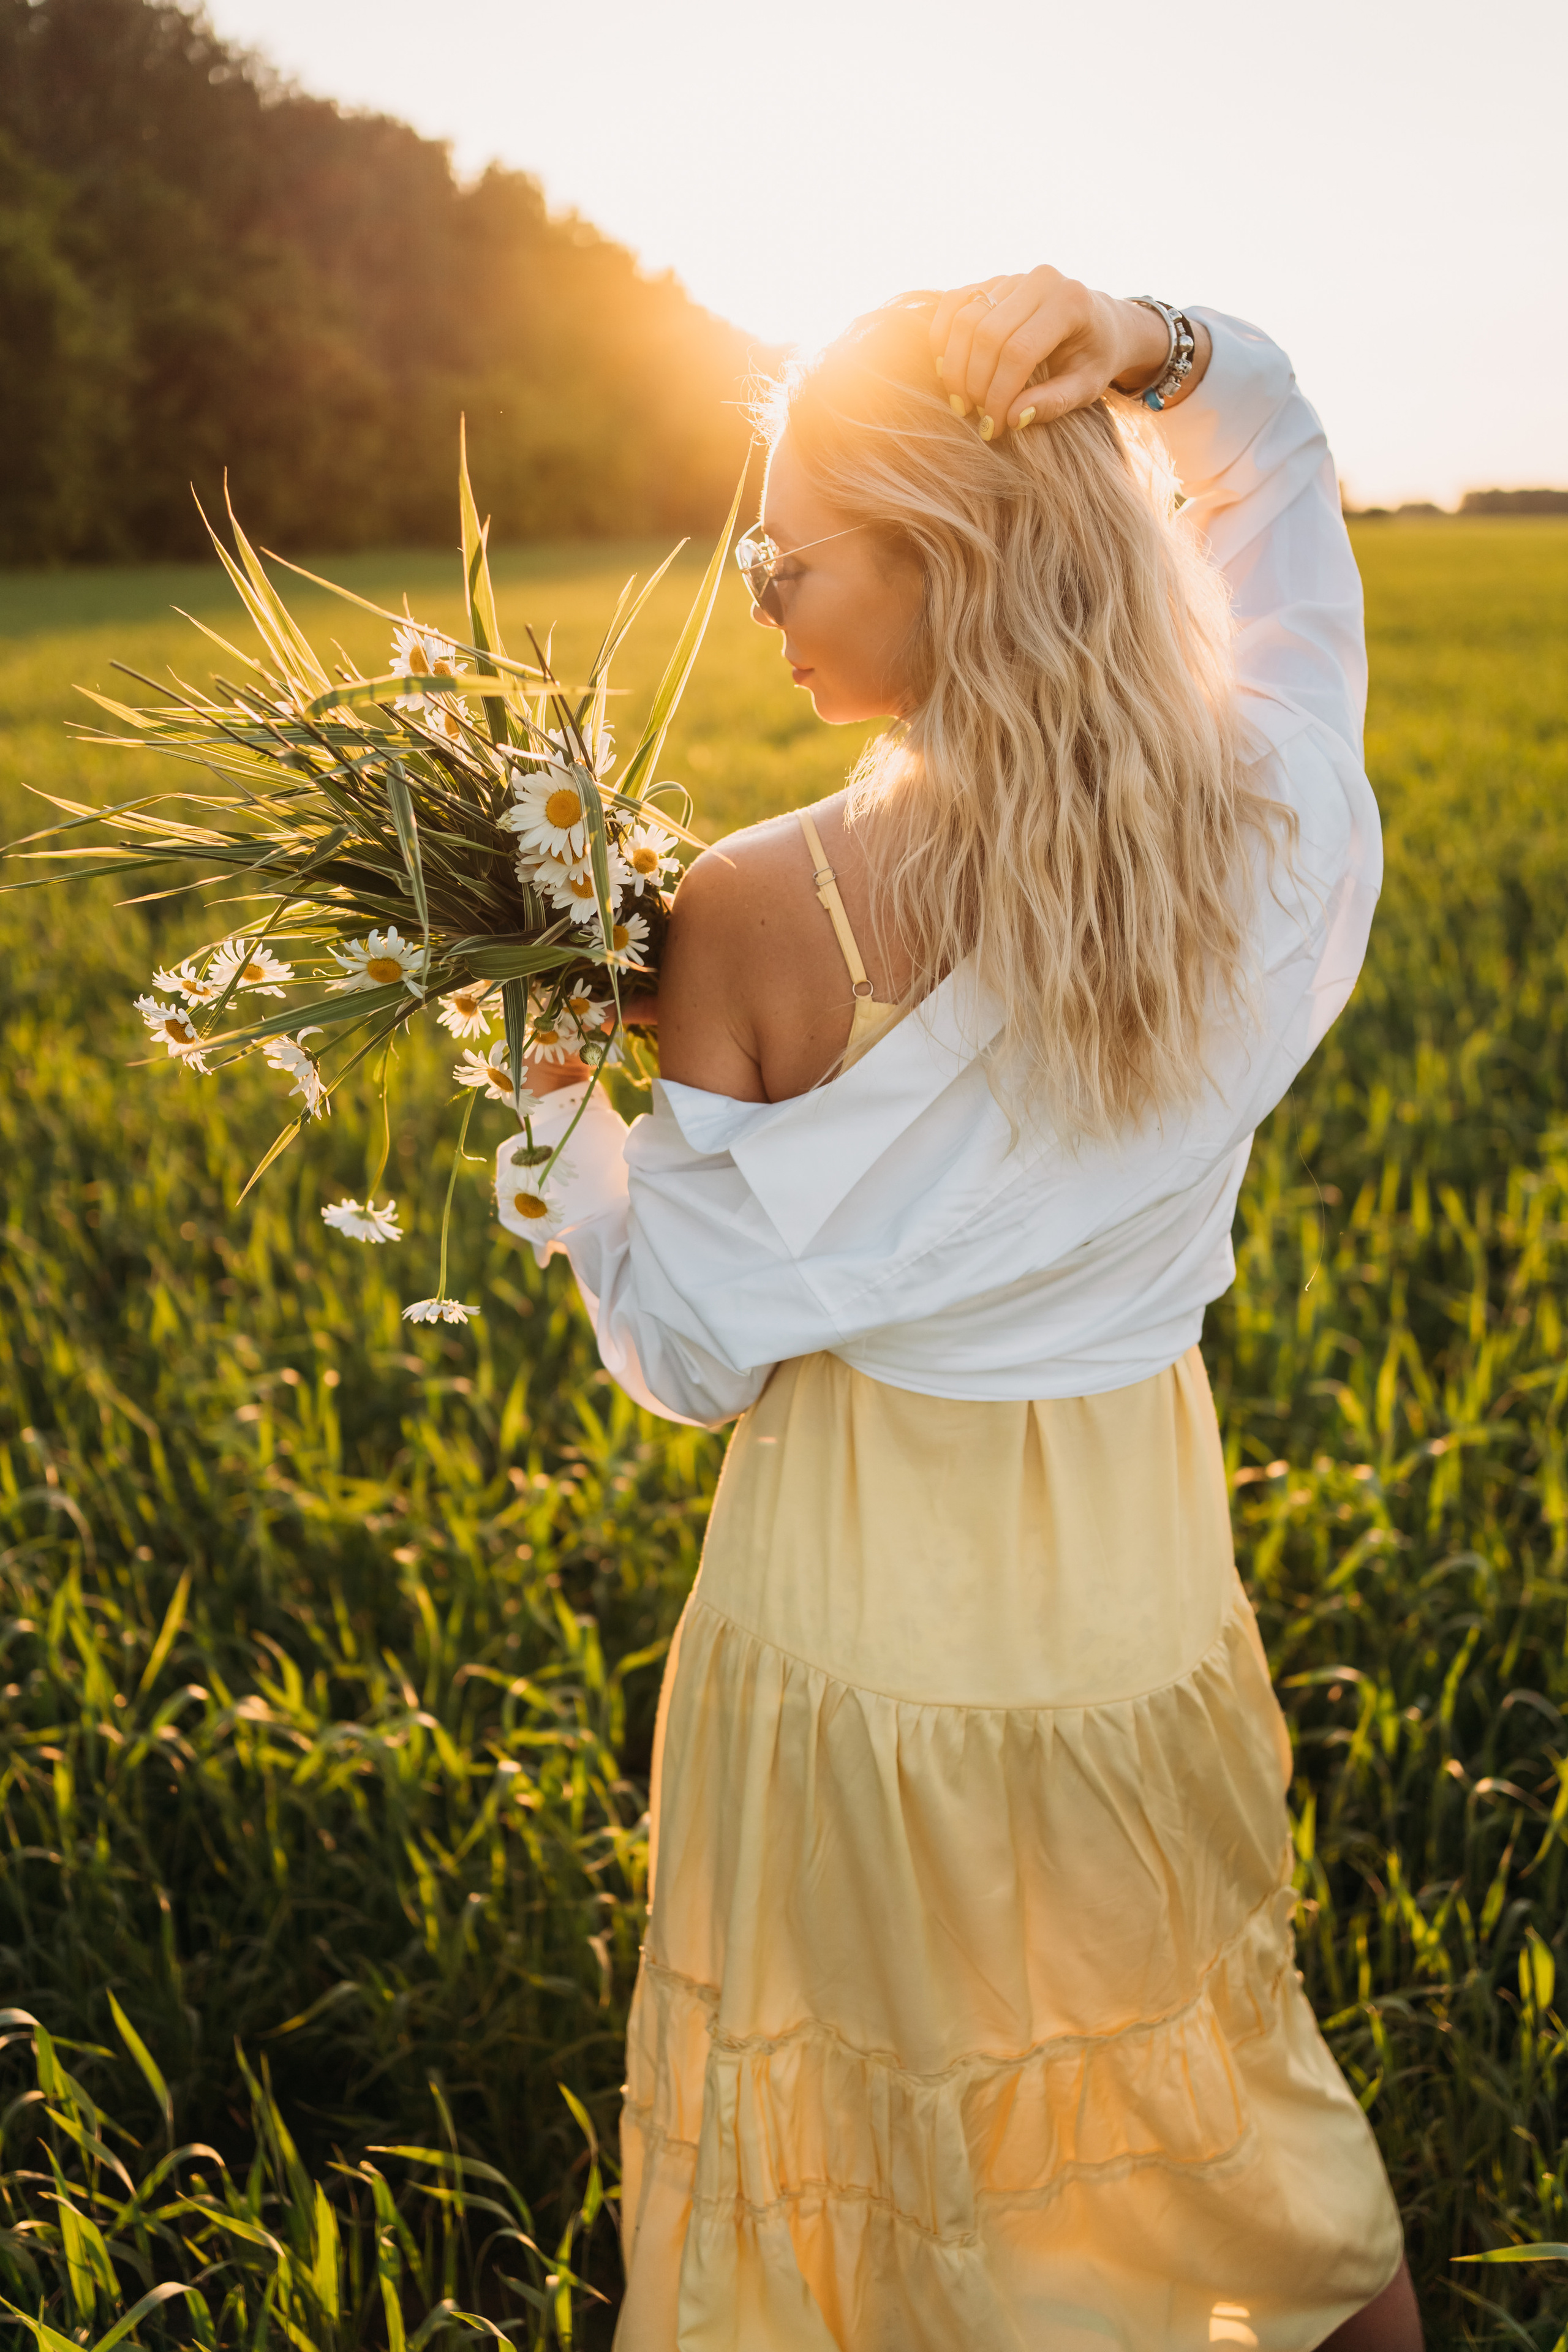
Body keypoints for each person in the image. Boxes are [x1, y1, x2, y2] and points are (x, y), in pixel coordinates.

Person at [500, 268, 1422, 2352]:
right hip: (1128, 1562)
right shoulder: (1276, 808)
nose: (759, 599)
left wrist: (556, 1086)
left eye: (785, 557)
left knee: (878, 2108)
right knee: (1208, 2068)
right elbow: (1266, 459)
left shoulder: (755, 907)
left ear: (952, 555)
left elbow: (689, 1351)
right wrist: (1150, 340)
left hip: (858, 1606)